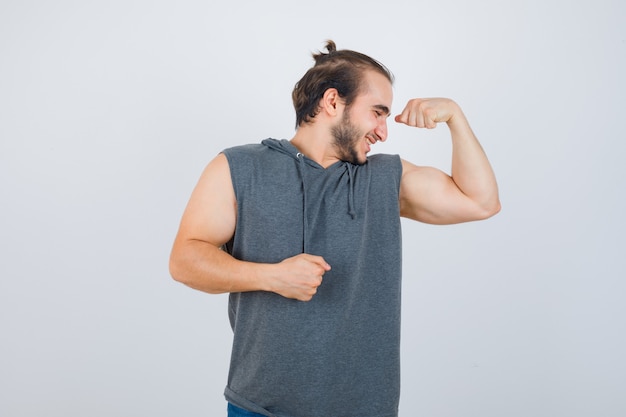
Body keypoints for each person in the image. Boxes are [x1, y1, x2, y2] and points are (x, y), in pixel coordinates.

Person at [169, 40, 500, 417]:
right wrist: (271, 277)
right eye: (377, 112)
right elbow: (185, 260)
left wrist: (455, 117)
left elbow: (481, 201)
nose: (383, 130)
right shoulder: (239, 167)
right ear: (332, 102)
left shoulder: (385, 177)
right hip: (261, 406)